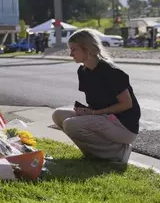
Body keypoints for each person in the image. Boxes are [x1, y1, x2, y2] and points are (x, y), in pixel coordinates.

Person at [52, 29, 141, 164]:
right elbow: (97, 101)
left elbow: (127, 104)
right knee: (58, 115)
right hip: (103, 117)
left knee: (71, 124)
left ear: (87, 48)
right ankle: (96, 155)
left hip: (124, 126)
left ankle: (119, 152)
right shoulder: (83, 71)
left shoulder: (111, 72)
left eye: (74, 49)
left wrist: (94, 113)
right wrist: (86, 111)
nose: (71, 54)